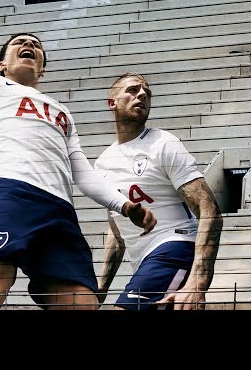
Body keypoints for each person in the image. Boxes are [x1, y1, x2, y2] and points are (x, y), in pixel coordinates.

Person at [0, 0, 157, 310]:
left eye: (36, 45)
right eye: (19, 43)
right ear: (2, 64)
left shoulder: (62, 110)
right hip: (10, 193)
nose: (28, 43)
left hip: (59, 208)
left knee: (84, 304)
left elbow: (81, 170)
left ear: (43, 67)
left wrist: (124, 205)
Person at [95, 72, 224, 310]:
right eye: (133, 90)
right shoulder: (102, 163)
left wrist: (198, 281)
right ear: (111, 102)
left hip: (175, 246)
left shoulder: (163, 143)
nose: (142, 94)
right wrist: (101, 288)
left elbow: (209, 210)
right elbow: (116, 231)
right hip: (144, 261)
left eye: (147, 92)